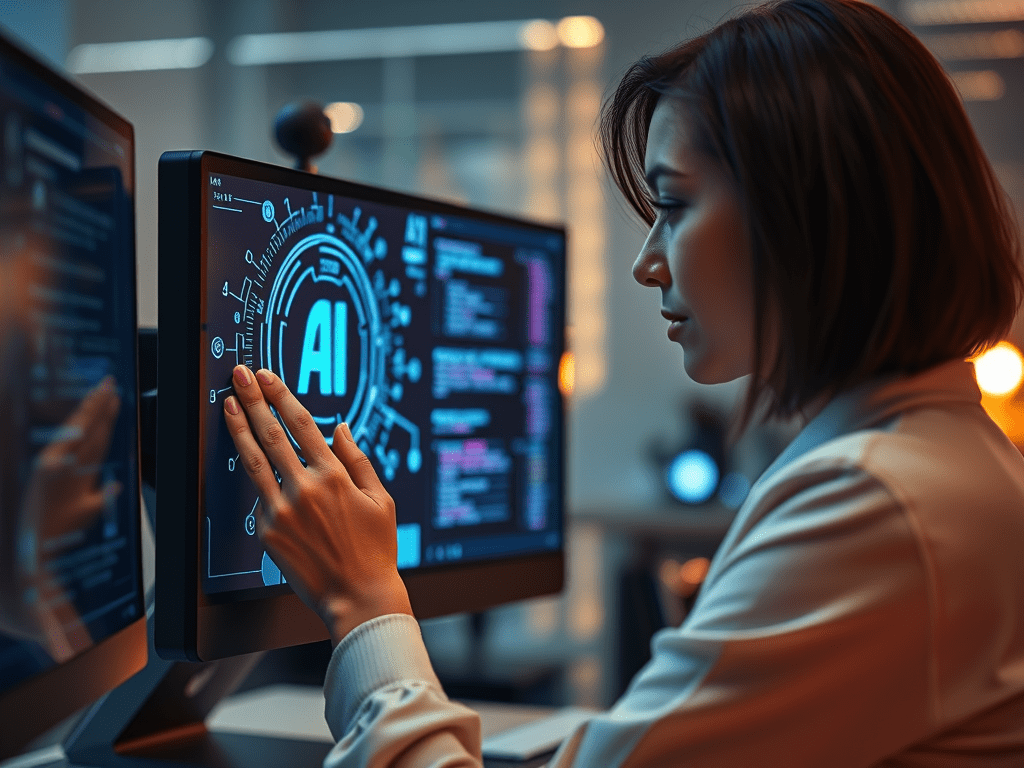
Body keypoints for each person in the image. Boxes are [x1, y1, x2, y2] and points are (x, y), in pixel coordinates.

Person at [222, 0, 1024, 764]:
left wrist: (365, 601)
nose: (646, 263)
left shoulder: (875, 502)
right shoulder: (938, 461)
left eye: (673, 204)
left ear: (809, 211)